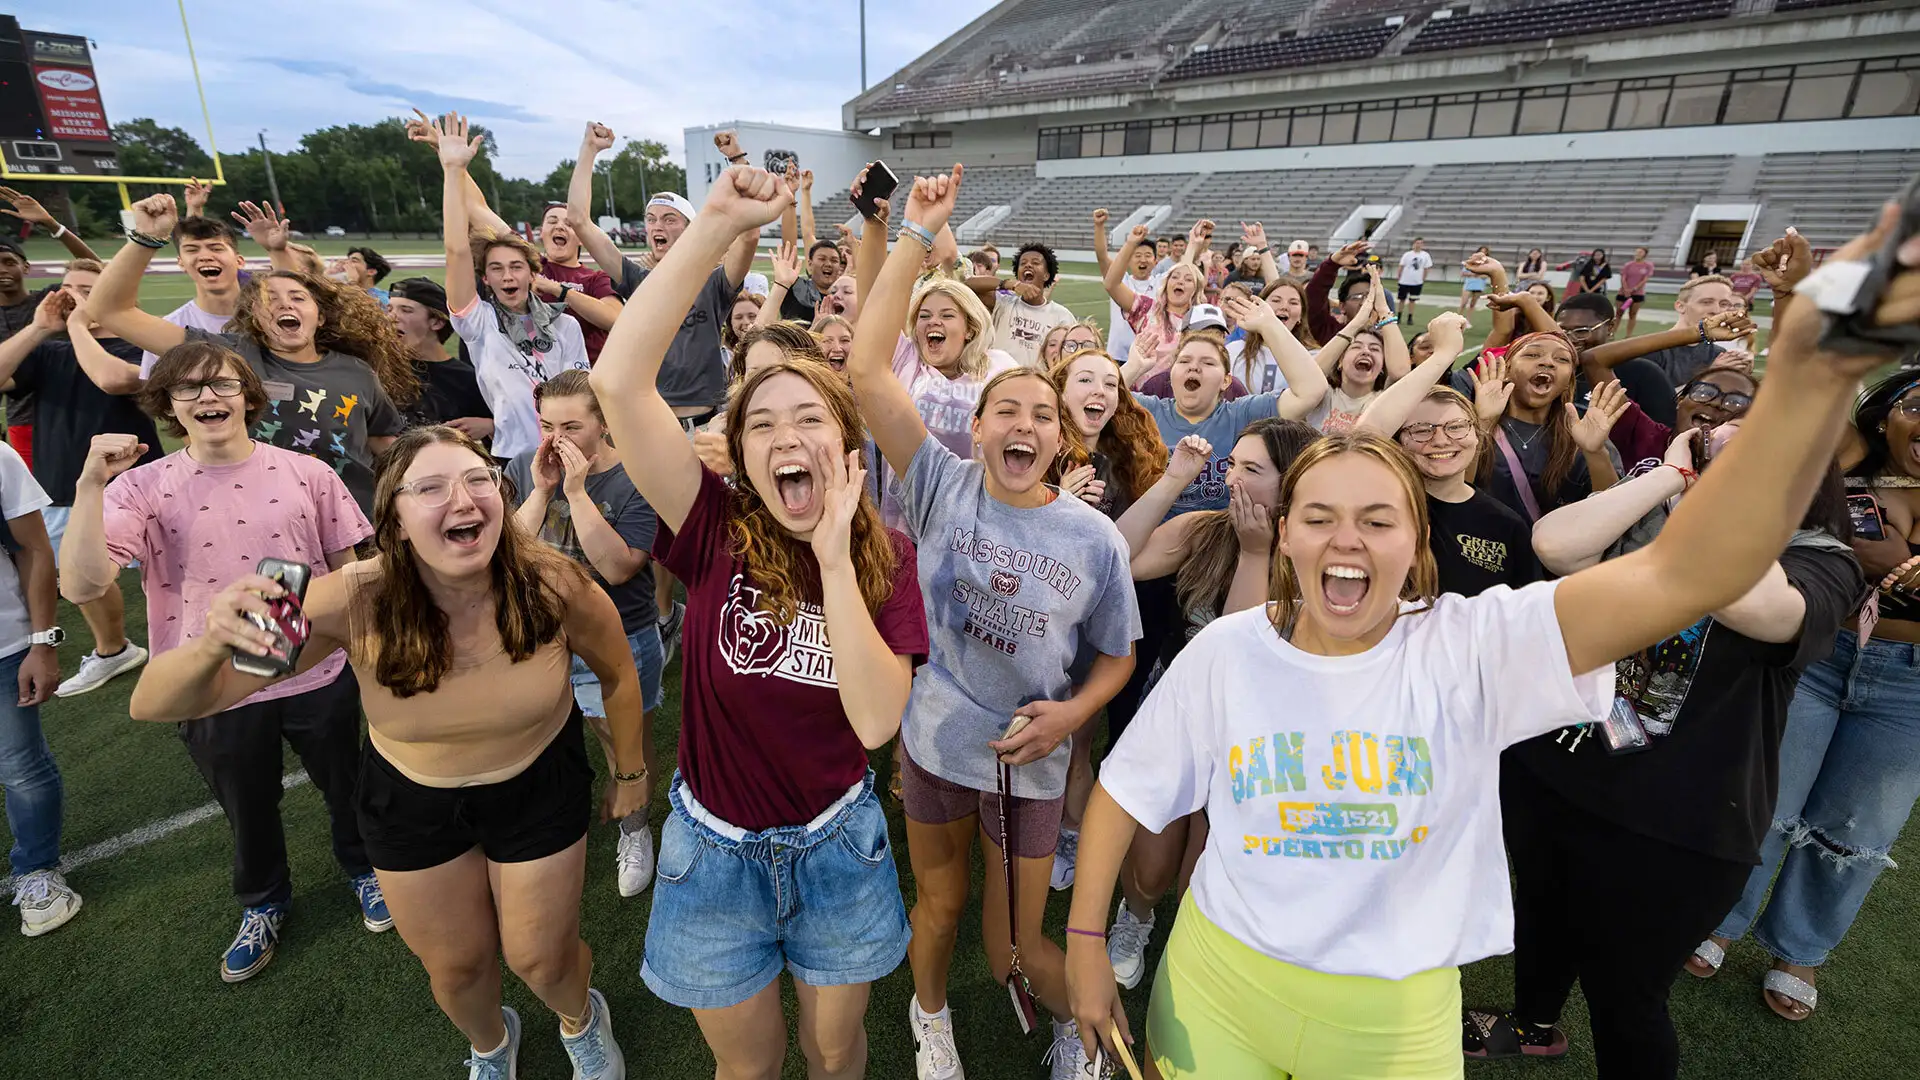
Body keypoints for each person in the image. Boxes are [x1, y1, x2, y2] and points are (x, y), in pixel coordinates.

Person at [1062, 205, 1917, 1076]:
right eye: (1318, 516)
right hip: (1217, 981)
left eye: (1377, 519)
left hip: (1393, 1017)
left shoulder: (1476, 642)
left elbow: (1685, 576)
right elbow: (1127, 793)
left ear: (1416, 540)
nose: (1346, 540)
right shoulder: (1227, 651)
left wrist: (1807, 373)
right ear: (1285, 535)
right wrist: (1087, 940)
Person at [129, 422, 646, 1080]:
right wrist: (209, 646)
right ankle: (491, 1044)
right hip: (410, 802)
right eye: (429, 488)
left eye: (477, 480)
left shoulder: (552, 580)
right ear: (395, 521)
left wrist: (629, 774)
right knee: (457, 967)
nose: (461, 499)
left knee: (542, 958)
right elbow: (156, 702)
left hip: (538, 785)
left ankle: (580, 1018)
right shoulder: (348, 596)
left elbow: (620, 675)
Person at [588, 160, 926, 1080]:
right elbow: (620, 385)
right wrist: (713, 225)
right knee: (748, 1068)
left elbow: (874, 723)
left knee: (835, 1051)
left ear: (845, 442)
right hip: (714, 852)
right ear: (738, 454)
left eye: (809, 416)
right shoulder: (713, 529)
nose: (786, 435)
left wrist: (829, 557)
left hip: (838, 843)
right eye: (761, 423)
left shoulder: (887, 559)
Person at [850, 165, 1140, 1080]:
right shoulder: (939, 482)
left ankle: (1076, 1030)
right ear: (973, 429)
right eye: (1004, 410)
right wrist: (913, 231)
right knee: (936, 909)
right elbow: (863, 369)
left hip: (1034, 759)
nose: (1024, 424)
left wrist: (1071, 714)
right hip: (935, 742)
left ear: (1064, 439)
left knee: (1014, 945)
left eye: (1042, 415)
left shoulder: (1093, 537)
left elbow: (1118, 656)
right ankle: (928, 1017)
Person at [1477, 419, 1860, 1077]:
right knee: (1543, 920)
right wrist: (1671, 477)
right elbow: (1557, 544)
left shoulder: (1820, 559)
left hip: (1683, 817)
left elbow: (1754, 605)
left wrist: (1706, 503)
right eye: (1717, 441)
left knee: (1625, 994)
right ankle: (1533, 1025)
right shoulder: (1654, 510)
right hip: (1563, 768)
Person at [62, 340, 386, 981]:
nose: (208, 397)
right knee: (247, 804)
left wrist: (361, 653)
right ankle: (264, 902)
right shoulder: (141, 487)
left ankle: (364, 869)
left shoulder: (307, 471)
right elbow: (80, 584)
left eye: (222, 384)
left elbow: (347, 571)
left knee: (347, 782)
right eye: (189, 388)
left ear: (247, 394)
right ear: (168, 405)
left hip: (312, 667)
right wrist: (90, 482)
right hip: (212, 683)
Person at [1695, 368, 1920, 1023]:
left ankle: (1800, 950)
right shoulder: (1851, 459)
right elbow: (1817, 380)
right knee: (1763, 795)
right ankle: (1717, 918)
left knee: (1858, 825)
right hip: (1818, 654)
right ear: (1884, 418)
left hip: (1909, 684)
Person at [1098, 417, 1321, 989]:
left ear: (1293, 481)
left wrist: (1256, 555)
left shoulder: (1320, 552)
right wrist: (1175, 480)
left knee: (1204, 872)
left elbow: (1245, 655)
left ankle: (1199, 945)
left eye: (1253, 469)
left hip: (1262, 728)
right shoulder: (1206, 528)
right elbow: (1113, 556)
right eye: (1232, 465)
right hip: (1181, 708)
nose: (1233, 480)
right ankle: (1136, 918)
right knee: (1150, 862)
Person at [88, 194, 415, 517]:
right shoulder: (229, 354)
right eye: (269, 298)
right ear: (254, 316)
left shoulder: (356, 371)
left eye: (298, 298)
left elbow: (385, 443)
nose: (285, 304)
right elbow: (110, 310)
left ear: (321, 316)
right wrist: (146, 238)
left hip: (355, 522)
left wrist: (403, 507)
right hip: (260, 524)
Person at [504, 370, 664, 899]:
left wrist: (575, 494)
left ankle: (636, 830)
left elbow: (619, 568)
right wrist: (545, 489)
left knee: (622, 744)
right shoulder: (534, 468)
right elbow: (507, 554)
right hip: (546, 638)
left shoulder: (638, 477)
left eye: (571, 426)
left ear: (604, 423)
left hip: (619, 638)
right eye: (547, 424)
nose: (555, 439)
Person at [0, 267, 159, 698]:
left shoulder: (138, 345)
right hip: (65, 483)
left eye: (89, 291)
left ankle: (188, 638)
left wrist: (75, 327)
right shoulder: (47, 351)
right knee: (81, 581)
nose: (77, 299)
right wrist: (37, 328)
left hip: (142, 480)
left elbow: (115, 379)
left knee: (169, 567)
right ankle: (114, 649)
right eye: (70, 290)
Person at [427, 114, 590, 463]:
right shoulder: (479, 323)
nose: (507, 276)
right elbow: (455, 250)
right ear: (484, 279)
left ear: (533, 275)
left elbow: (582, 395)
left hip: (570, 457)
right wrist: (453, 170)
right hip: (513, 458)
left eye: (516, 267)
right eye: (496, 269)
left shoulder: (566, 325)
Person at [0, 438, 75, 937]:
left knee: (20, 766)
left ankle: (37, 870)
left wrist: (42, 643)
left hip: (4, 644)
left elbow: (33, 549)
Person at [1470, 329, 1627, 521]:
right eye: (1532, 354)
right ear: (1507, 371)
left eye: (1562, 359)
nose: (1547, 362)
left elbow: (1613, 511)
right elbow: (1450, 494)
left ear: (1568, 383)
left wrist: (1595, 453)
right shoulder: (1469, 422)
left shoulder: (1583, 430)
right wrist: (1483, 423)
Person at [1583, 274, 1755, 395]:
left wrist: (1741, 379)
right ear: (1680, 306)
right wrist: (1710, 375)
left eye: (1724, 304)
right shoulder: (1651, 349)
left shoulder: (1719, 354)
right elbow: (1654, 409)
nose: (1716, 310)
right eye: (1706, 302)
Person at [137, 215, 247, 377]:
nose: (205, 256)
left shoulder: (269, 317)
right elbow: (152, 395)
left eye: (216, 248)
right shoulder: (170, 327)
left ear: (239, 261)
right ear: (181, 262)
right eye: (192, 250)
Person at [387, 277, 493, 441]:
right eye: (389, 309)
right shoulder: (379, 369)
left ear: (436, 322)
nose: (392, 318)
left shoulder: (468, 380)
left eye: (406, 310)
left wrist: (491, 426)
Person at [1103, 226, 1204, 388]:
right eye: (1174, 277)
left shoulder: (1200, 321)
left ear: (1196, 289)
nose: (1180, 281)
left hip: (1184, 397)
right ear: (1166, 284)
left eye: (1188, 280)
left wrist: (1193, 244)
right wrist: (1130, 243)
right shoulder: (1147, 310)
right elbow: (1111, 284)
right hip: (1144, 396)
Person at [990, 242, 1076, 369]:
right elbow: (969, 285)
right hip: (1001, 381)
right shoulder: (1003, 304)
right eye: (1023, 263)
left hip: (1038, 384)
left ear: (1046, 275)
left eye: (1035, 263)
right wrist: (1009, 284)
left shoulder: (1062, 316)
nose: (1028, 265)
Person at [1092, 209, 1158, 365]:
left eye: (1148, 255)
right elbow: (1102, 256)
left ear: (1156, 261)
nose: (1143, 259)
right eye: (1137, 255)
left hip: (1148, 356)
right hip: (1117, 354)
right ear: (1128, 261)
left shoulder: (1162, 282)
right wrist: (1099, 226)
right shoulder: (1121, 281)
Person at [1618, 247, 1657, 337]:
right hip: (1623, 292)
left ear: (1645, 254)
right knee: (1619, 312)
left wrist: (1634, 289)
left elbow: (1645, 279)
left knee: (1632, 314)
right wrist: (1626, 289)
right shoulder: (1628, 264)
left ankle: (1628, 335)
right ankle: (1612, 333)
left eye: (1640, 252)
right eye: (1637, 252)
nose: (1638, 253)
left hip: (1638, 294)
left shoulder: (1648, 265)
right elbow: (1623, 277)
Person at [1396, 237, 1433, 326]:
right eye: (1417, 243)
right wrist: (1399, 276)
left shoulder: (1425, 255)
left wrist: (1423, 278)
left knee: (1412, 300)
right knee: (1402, 299)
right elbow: (1401, 265)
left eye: (1420, 243)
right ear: (1414, 244)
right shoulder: (1407, 254)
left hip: (1416, 281)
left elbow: (1426, 268)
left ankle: (1410, 317)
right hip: (1405, 280)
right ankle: (1399, 317)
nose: (1418, 245)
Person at [1458, 246, 1492, 315]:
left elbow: (1486, 276)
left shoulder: (1487, 264)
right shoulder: (1471, 261)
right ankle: (1458, 319)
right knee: (1463, 303)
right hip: (1469, 284)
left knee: (1472, 304)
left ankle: (1468, 320)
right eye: (1481, 252)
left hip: (1479, 285)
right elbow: (1463, 273)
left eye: (1484, 252)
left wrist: (1476, 274)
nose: (1482, 254)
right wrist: (1475, 275)